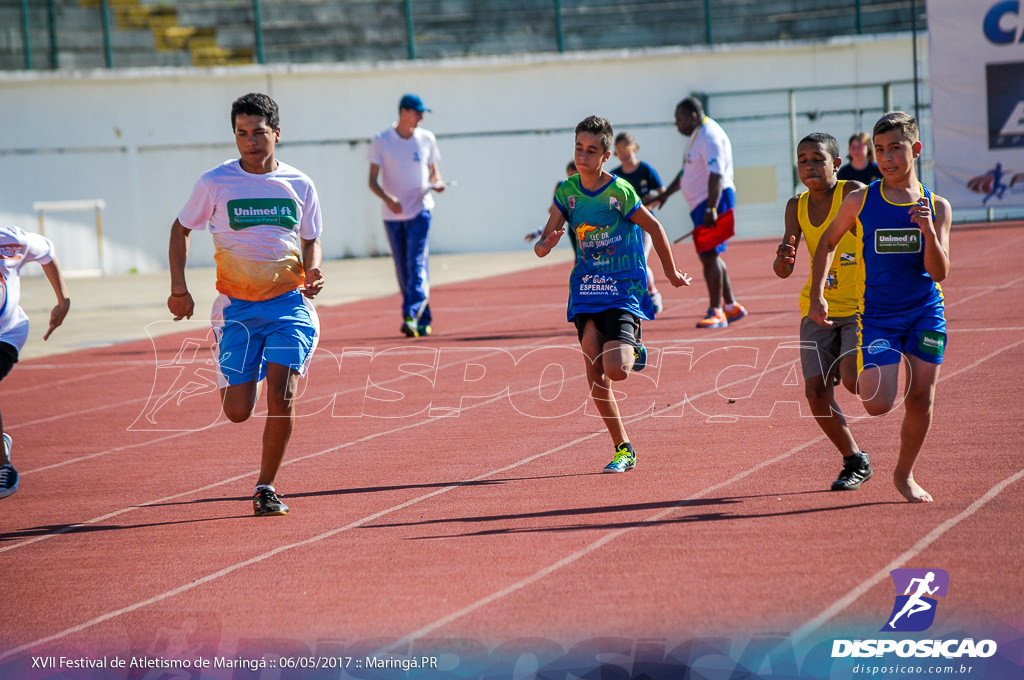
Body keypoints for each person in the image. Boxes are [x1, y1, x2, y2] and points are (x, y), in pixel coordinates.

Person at [167, 92, 325, 517]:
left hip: (288, 305)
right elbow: (180, 230)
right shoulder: (215, 183)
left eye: (258, 133)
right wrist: (179, 289)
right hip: (236, 308)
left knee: (283, 393)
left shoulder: (299, 184)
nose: (250, 141)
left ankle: (266, 486)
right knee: (237, 411)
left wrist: (312, 270)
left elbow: (311, 239)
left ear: (277, 132)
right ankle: (246, 366)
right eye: (241, 133)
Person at [533, 115, 692, 473]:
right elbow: (542, 246)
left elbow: (654, 226)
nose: (583, 156)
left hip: (622, 288)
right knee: (594, 365)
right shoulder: (566, 192)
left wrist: (669, 272)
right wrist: (547, 243)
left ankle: (633, 346)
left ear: (607, 155)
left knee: (616, 370)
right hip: (587, 289)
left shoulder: (620, 191)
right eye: (578, 148)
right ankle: (623, 447)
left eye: (591, 150)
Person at [809, 112, 952, 503]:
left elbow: (939, 273)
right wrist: (818, 293)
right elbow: (827, 243)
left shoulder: (936, 206)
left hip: (925, 311)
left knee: (922, 397)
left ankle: (904, 475)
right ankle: (856, 365)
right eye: (880, 150)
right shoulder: (862, 200)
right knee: (876, 404)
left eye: (896, 149)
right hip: (880, 318)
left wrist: (927, 231)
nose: (887, 158)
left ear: (916, 150)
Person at [773, 132, 871, 491]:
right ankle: (855, 459)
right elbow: (784, 268)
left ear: (836, 164)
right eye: (803, 160)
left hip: (861, 305)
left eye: (818, 158)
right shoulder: (794, 206)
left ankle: (888, 353)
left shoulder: (852, 194)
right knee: (815, 393)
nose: (810, 166)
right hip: (817, 307)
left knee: (854, 380)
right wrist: (782, 259)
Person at [648, 96, 747, 328]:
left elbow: (716, 175)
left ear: (692, 116)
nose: (677, 125)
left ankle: (716, 310)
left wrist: (712, 207)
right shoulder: (697, 134)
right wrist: (664, 196)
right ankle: (731, 306)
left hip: (713, 200)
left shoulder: (710, 135)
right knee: (711, 255)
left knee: (709, 255)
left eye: (679, 119)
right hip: (702, 203)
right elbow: (686, 173)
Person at [0, 226, 70, 498]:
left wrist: (62, 300)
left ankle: (3, 466)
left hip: (6, 332)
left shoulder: (10, 240)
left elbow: (47, 251)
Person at [368, 93, 444, 339]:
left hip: (420, 211)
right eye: (417, 112)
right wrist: (389, 199)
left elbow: (434, 174)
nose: (421, 117)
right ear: (404, 112)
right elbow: (371, 181)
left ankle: (410, 314)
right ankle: (423, 318)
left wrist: (438, 183)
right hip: (392, 216)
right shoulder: (381, 140)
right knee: (403, 270)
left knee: (417, 263)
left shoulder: (427, 138)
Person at [611, 132, 666, 314]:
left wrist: (654, 198)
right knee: (625, 263)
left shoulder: (645, 170)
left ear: (634, 148)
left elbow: (662, 193)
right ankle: (633, 298)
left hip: (644, 225)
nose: (624, 153)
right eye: (619, 150)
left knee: (640, 260)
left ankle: (653, 293)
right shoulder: (615, 176)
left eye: (626, 148)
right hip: (624, 227)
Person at [525, 160, 578, 245]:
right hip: (574, 229)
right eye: (569, 171)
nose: (572, 174)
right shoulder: (563, 186)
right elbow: (555, 218)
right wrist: (536, 233)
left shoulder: (587, 189)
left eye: (574, 171)